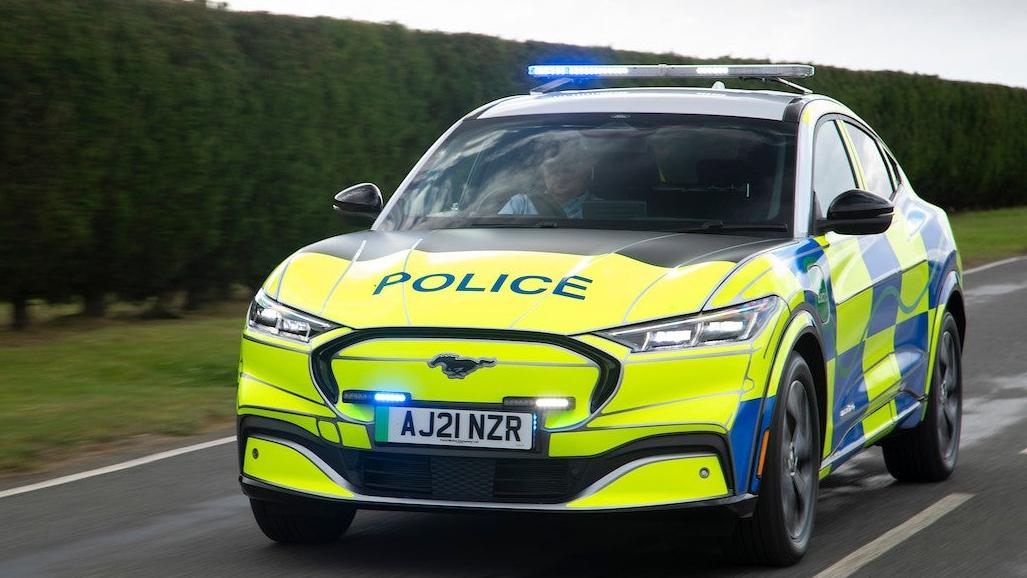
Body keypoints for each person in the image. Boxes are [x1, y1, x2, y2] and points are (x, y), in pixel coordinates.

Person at [499, 144, 592, 218]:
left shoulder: (603, 209)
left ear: (588, 172)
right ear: (541, 172)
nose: (560, 170)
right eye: (552, 164)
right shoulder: (520, 205)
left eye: (570, 163)